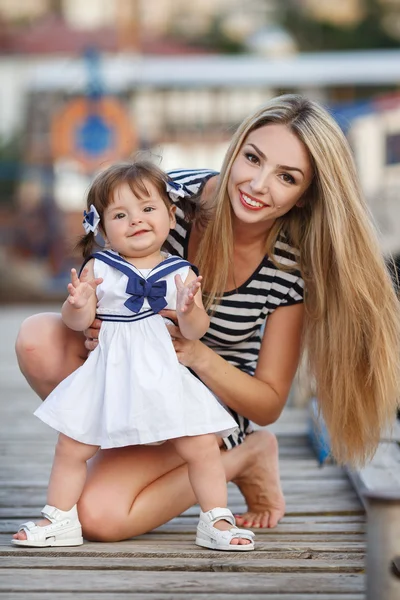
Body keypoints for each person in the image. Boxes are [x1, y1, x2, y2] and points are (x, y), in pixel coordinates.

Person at [14, 94, 400, 544]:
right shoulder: (165, 202)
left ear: (304, 195)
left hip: (208, 407)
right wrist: (97, 321)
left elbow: (270, 403)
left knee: (100, 517)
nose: (257, 184)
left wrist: (197, 355)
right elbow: (106, 282)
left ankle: (246, 456)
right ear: (235, 149)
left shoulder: (290, 267)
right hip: (130, 379)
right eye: (252, 158)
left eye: (286, 177)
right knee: (37, 338)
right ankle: (125, 445)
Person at [12, 161, 255, 551]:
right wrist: (78, 303)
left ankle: (216, 518)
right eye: (120, 215)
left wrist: (191, 309)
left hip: (164, 377)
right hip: (110, 376)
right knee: (73, 445)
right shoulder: (100, 268)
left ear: (170, 215)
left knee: (202, 446)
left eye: (147, 209)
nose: (136, 221)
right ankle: (58, 516)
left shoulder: (181, 272)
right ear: (103, 230)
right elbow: (78, 323)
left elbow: (196, 332)